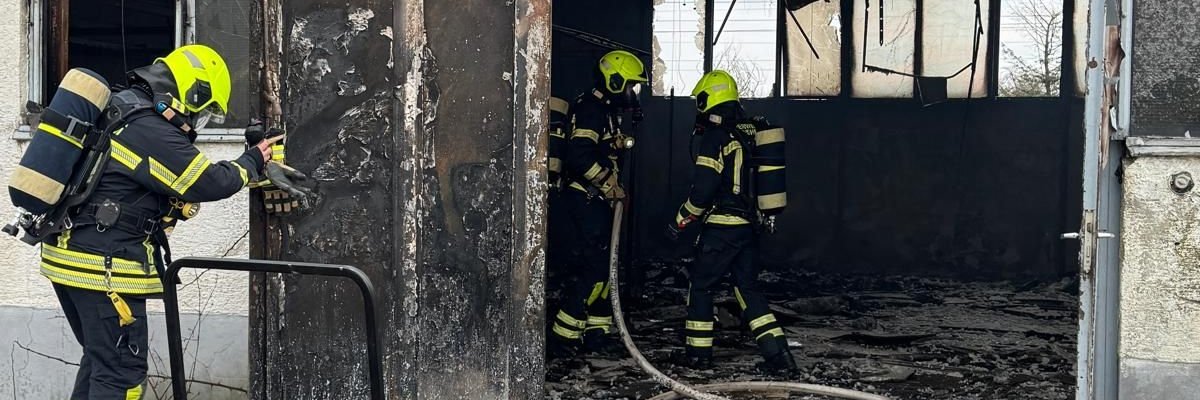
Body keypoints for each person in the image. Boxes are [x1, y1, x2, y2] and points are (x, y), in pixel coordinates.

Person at [40, 44, 281, 399]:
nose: (199, 122)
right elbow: (206, 181)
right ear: (193, 92)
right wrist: (250, 163)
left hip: (70, 258)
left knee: (102, 363)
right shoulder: (149, 128)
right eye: (204, 111)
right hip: (104, 269)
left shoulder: (121, 109)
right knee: (122, 375)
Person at [665, 70, 798, 373]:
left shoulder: (716, 137)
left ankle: (698, 356)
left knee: (700, 286)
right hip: (749, 227)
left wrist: (679, 220)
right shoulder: (751, 131)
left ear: (709, 98)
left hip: (722, 227)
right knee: (747, 289)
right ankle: (780, 357)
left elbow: (703, 191)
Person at [547, 50, 646, 356]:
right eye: (631, 86)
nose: (634, 94)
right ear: (614, 80)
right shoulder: (591, 108)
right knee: (595, 268)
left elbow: (594, 147)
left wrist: (613, 144)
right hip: (586, 199)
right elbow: (579, 155)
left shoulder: (604, 110)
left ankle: (596, 335)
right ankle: (562, 337)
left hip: (598, 202)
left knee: (605, 268)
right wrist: (607, 182)